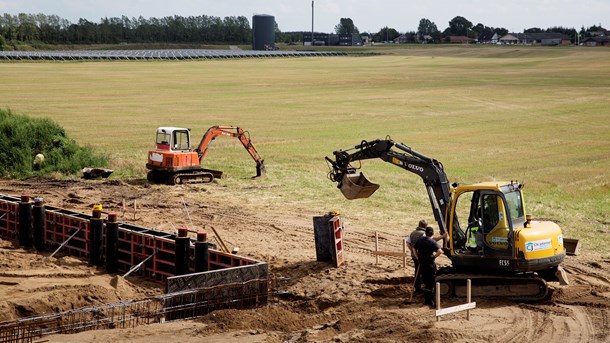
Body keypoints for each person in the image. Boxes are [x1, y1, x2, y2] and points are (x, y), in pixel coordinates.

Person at [407, 220, 447, 292]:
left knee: (417, 271)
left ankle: (417, 288)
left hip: (415, 256)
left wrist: (413, 253)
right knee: (427, 272)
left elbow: (408, 243)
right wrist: (442, 237)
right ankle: (428, 288)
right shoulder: (423, 234)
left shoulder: (412, 233)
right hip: (423, 257)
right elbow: (431, 240)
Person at [414, 226, 443, 307]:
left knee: (426, 282)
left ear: (425, 232)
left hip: (422, 264)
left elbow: (413, 248)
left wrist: (417, 257)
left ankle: (427, 300)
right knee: (431, 283)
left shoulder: (420, 240)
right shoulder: (432, 242)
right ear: (432, 233)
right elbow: (440, 251)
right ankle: (430, 301)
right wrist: (433, 257)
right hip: (430, 265)